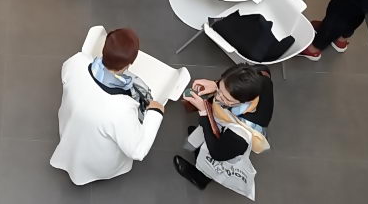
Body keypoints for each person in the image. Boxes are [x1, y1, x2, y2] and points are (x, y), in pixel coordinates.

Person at [50, 27, 165, 185]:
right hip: (97, 160)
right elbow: (137, 150)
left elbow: (66, 75)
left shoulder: (77, 61)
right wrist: (156, 111)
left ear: (104, 48)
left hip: (71, 126)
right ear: (129, 64)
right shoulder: (121, 110)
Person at [173, 64, 273, 195]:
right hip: (228, 123)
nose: (218, 97)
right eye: (220, 90)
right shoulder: (261, 80)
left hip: (229, 143)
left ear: (243, 101)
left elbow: (218, 153)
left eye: (226, 98)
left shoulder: (241, 134)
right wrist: (215, 84)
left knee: (214, 159)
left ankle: (201, 178)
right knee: (209, 133)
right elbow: (263, 68)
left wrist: (204, 113)